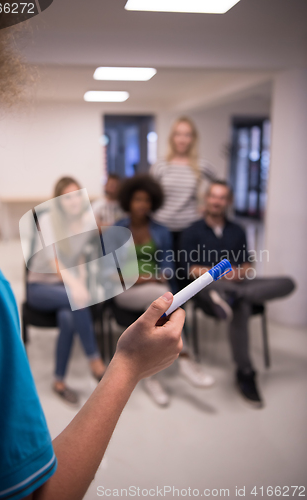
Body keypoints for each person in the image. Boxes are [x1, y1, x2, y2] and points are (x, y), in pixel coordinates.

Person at [0, 8, 186, 500]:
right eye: (67, 199)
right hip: (47, 297)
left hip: (71, 295)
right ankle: (89, 366)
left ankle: (76, 371)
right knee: (74, 312)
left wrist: (113, 266)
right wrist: (127, 365)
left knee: (79, 311)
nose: (75, 206)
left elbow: (96, 277)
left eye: (80, 199)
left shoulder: (86, 233)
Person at [179, 180, 295, 408]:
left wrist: (239, 272)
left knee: (287, 282)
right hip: (207, 288)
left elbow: (248, 264)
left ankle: (234, 297)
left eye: (222, 197)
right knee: (235, 301)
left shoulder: (237, 230)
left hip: (238, 285)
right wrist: (217, 274)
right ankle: (245, 371)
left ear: (228, 201)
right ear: (207, 199)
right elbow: (188, 268)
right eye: (213, 196)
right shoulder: (192, 231)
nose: (217, 201)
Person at [114, 175, 214, 407]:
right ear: (128, 201)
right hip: (126, 292)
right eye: (137, 199)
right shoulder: (117, 229)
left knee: (159, 308)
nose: (142, 205)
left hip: (157, 289)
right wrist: (139, 279)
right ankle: (186, 360)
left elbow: (167, 267)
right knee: (162, 302)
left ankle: (151, 377)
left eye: (147, 200)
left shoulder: (160, 230)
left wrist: (160, 277)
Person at [26, 176, 107, 405]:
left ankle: (58, 381)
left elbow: (79, 255)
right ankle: (94, 360)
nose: (73, 201)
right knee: (77, 300)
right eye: (67, 197)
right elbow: (54, 261)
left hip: (64, 288)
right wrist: (76, 286)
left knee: (68, 319)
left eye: (76, 195)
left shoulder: (86, 222)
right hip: (40, 287)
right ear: (59, 201)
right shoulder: (48, 220)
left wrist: (80, 278)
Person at [150, 116, 215, 260]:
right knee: (166, 272)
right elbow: (149, 194)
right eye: (178, 134)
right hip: (161, 228)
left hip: (190, 228)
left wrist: (206, 206)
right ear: (172, 137)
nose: (182, 139)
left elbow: (219, 186)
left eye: (187, 135)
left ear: (193, 138)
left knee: (186, 273)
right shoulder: (160, 165)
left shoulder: (201, 165)